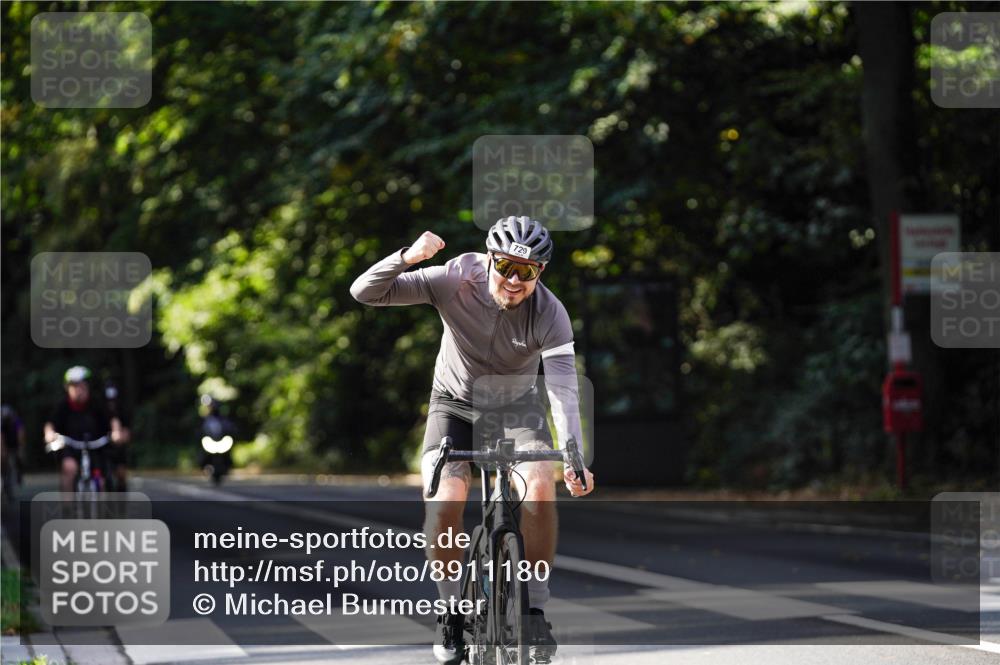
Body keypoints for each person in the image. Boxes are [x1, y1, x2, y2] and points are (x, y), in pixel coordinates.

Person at [351, 216, 595, 664]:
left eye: (528, 271)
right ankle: (451, 610)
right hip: (454, 405)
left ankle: (536, 608)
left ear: (540, 272)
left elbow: (562, 389)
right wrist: (409, 256)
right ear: (489, 260)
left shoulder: (550, 313)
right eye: (506, 267)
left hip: (516, 409)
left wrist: (574, 453)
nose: (515, 280)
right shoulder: (454, 279)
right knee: (446, 500)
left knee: (541, 483)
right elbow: (364, 292)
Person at [43, 366, 126, 493]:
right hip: (72, 447)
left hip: (97, 447)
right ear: (67, 388)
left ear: (87, 386)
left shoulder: (97, 403)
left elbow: (112, 419)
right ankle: (68, 509)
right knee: (68, 469)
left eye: (81, 385)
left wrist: (116, 432)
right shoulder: (63, 406)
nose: (78, 390)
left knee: (102, 480)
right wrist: (49, 434)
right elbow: (51, 423)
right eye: (73, 386)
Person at [103, 381, 133, 492]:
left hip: (118, 447)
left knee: (121, 474)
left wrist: (123, 435)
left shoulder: (123, 409)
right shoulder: (100, 409)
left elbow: (127, 431)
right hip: (102, 446)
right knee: (104, 477)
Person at [1, 404, 26, 501]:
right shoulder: (2, 423)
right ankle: (7, 488)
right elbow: (1, 437)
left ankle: (19, 473)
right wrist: (3, 451)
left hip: (15, 444)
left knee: (19, 458)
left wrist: (21, 448)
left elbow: (21, 434)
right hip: (5, 444)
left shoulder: (16, 421)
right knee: (5, 466)